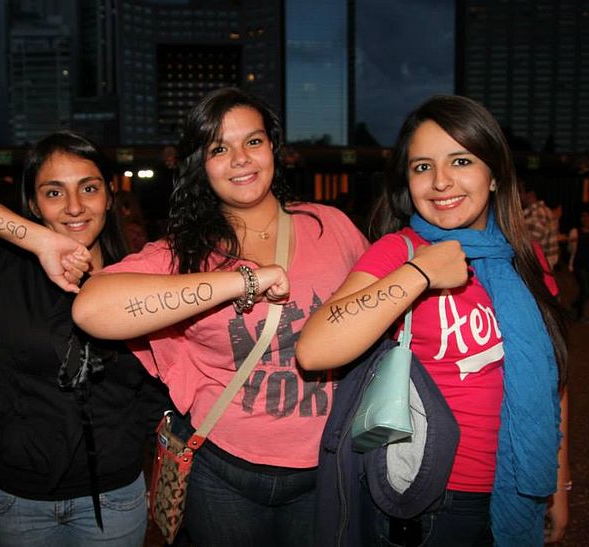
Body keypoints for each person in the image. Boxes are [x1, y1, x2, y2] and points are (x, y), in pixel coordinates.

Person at [73, 87, 369, 547]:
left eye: (253, 141)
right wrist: (243, 281)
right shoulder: (182, 252)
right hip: (223, 470)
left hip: (328, 465)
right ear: (199, 164)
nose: (240, 159)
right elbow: (92, 309)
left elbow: (379, 314)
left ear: (274, 147)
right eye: (219, 148)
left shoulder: (331, 227)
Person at [297, 95, 570, 546]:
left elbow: (554, 378)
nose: (441, 182)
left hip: (519, 484)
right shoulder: (398, 252)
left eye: (460, 160)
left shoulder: (527, 261)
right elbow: (314, 349)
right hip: (429, 497)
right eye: (422, 166)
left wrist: (559, 480)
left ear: (496, 175)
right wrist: (420, 273)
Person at [0, 131, 166, 546]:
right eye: (54, 192)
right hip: (16, 498)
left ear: (111, 196)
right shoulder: (3, 264)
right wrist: (37, 238)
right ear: (32, 203)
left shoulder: (144, 273)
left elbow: (160, 378)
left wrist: (128, 444)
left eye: (89, 188)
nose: (75, 206)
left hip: (112, 497)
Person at [521, 179, 559, 270]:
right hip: (546, 263)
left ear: (530, 194)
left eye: (520, 192)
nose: (519, 196)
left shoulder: (535, 213)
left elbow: (529, 245)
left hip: (538, 266)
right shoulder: (546, 210)